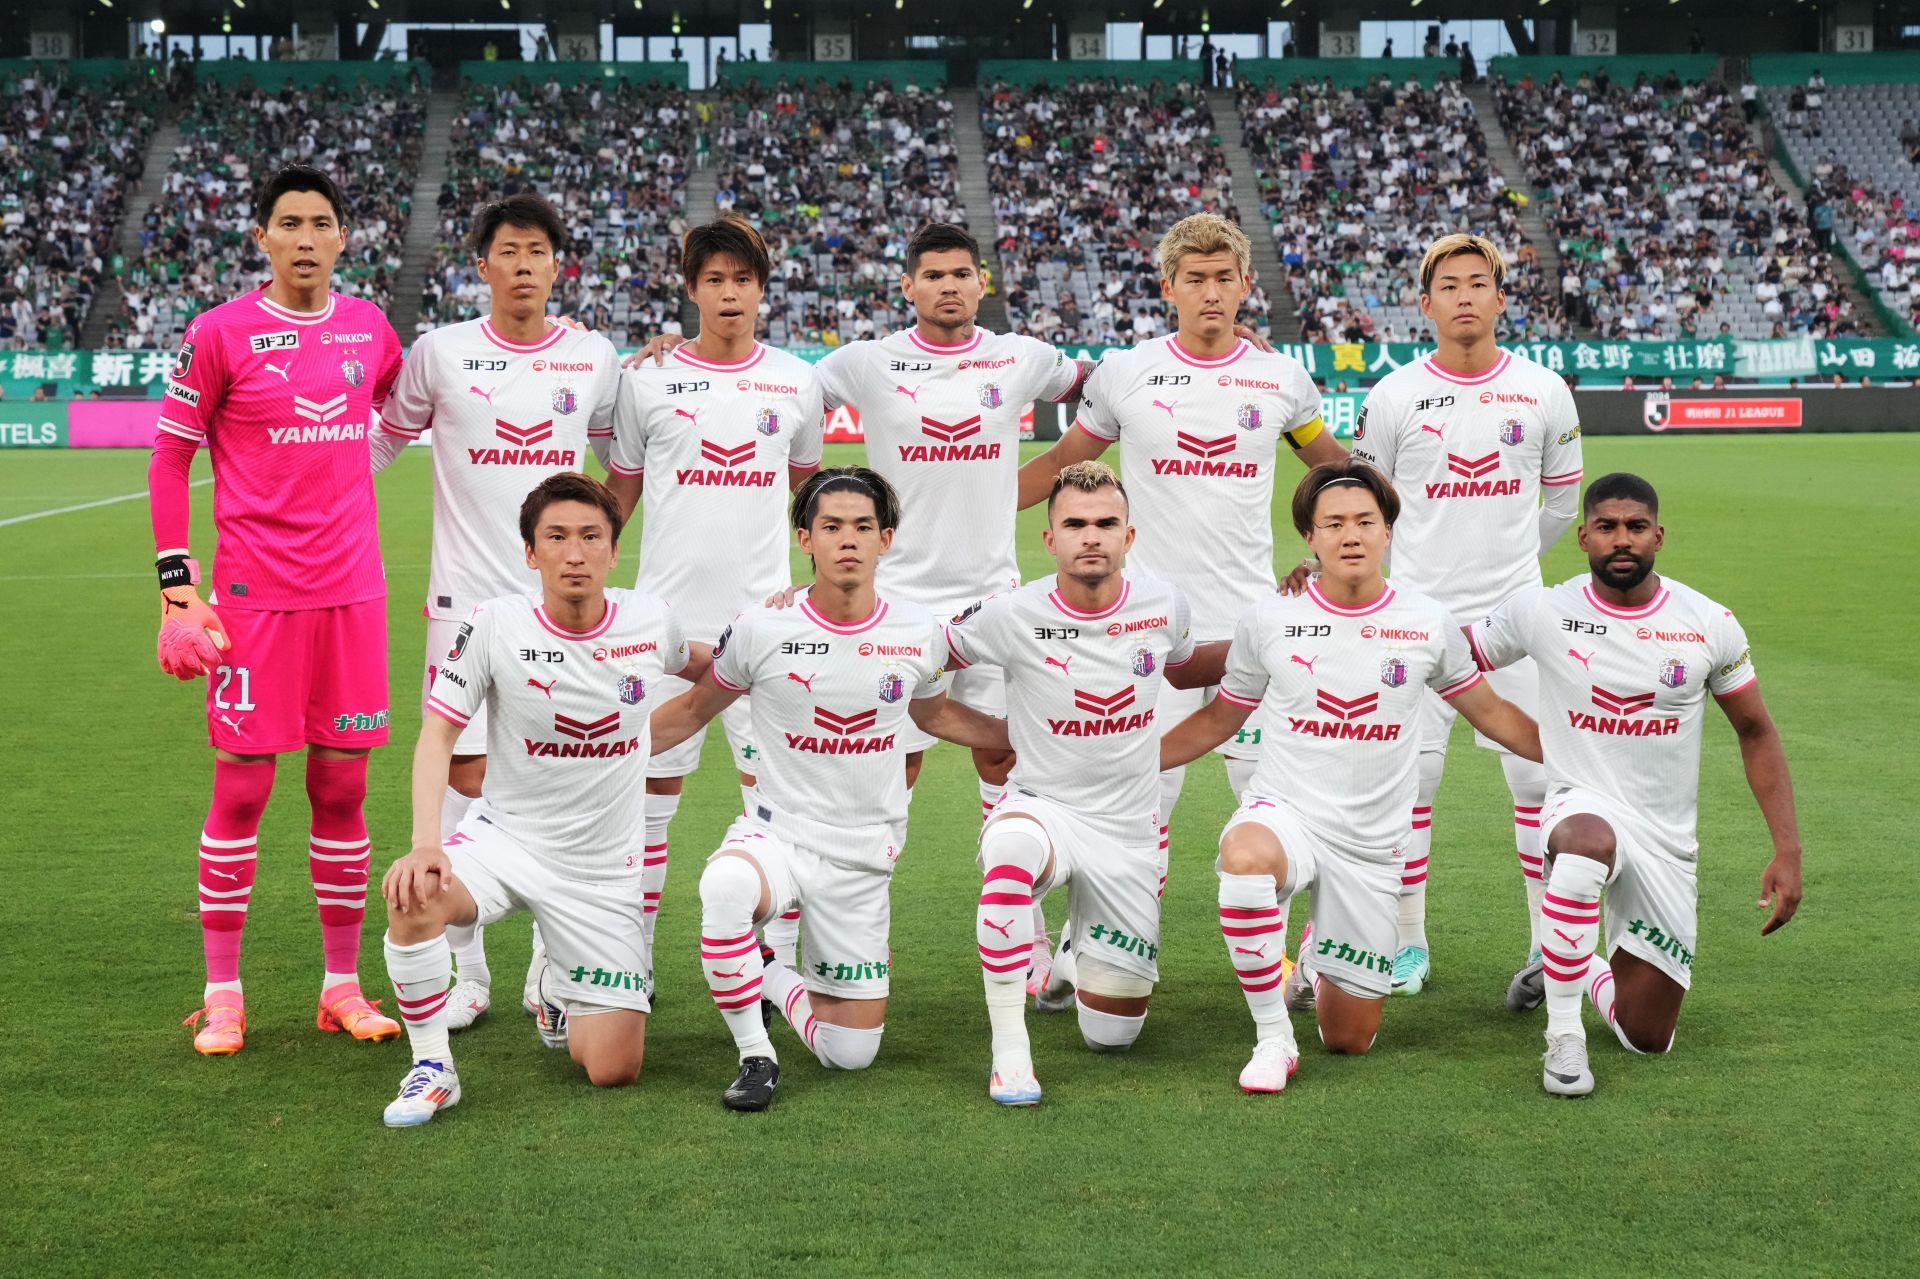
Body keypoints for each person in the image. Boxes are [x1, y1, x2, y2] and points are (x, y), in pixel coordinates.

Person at [1016, 213, 1346, 1003]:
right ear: (1167, 289)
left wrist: (1330, 546)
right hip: (1147, 632)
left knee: (1282, 799)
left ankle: (1312, 956)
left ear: (1244, 286)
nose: (1208, 291)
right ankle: (1095, 949)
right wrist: (953, 503)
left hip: (1256, 626)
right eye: (1192, 278)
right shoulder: (1126, 374)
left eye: (1221, 277)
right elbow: (1066, 463)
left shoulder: (1279, 379)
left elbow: (1335, 471)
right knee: (1135, 798)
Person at [1161, 460, 1540, 1092]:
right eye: (1332, 523)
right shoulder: (1268, 619)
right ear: (1310, 538)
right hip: (1287, 814)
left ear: (1389, 531)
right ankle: (1272, 1039)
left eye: (1365, 521)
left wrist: (1582, 758)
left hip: (1371, 844)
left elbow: (1495, 714)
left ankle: (1319, 958)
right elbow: (1219, 721)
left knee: (1348, 1039)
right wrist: (1125, 766)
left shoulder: (1426, 622)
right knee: (1245, 860)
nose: (1351, 535)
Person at [650, 468, 1011, 1111]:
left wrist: (1017, 736)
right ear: (804, 540)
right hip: (777, 832)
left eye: (863, 527)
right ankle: (755, 1055)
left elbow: (931, 717)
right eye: (832, 527)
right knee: (726, 887)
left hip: (864, 851)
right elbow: (692, 710)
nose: (849, 540)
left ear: (887, 540)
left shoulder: (916, 632)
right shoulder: (761, 628)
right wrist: (595, 752)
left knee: (850, 1055)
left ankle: (769, 974)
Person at [149, 164, 405, 1057]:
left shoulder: (371, 329)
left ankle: (341, 986)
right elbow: (168, 460)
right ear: (260, 237)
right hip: (255, 603)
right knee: (243, 787)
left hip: (353, 597)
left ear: (343, 237)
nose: (305, 236)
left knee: (342, 786)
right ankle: (224, 993)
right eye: (288, 222)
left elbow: (398, 410)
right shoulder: (220, 333)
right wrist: (179, 590)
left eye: (321, 222)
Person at [370, 192, 621, 1029]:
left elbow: (626, 454)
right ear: (481, 266)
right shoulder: (439, 353)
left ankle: (552, 966)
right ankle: (467, 970)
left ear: (559, 266)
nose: (523, 265)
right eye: (507, 251)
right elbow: (379, 442)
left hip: (563, 608)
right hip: (463, 605)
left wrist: (599, 542)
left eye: (537, 251)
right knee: (464, 778)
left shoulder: (592, 355)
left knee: (563, 773)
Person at [1466, 473, 1802, 1095]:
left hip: (1665, 839)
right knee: (1582, 845)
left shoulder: (1708, 622)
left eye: (1636, 527)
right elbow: (1448, 660)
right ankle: (1563, 1039)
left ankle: (1572, 964)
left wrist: (1787, 851)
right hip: (1581, 807)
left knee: (1647, 1037)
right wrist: (1331, 592)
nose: (1623, 539)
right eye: (1608, 527)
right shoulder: (1540, 609)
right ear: (1584, 536)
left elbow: (1755, 731)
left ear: (1658, 536)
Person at [378, 474, 697, 1126]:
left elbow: (703, 664)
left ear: (613, 550)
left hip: (602, 873)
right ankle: (433, 1064)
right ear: (531, 553)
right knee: (414, 895)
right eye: (556, 537)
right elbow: (438, 732)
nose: (574, 553)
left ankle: (559, 981)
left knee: (612, 1069)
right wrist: (425, 843)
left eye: (590, 536)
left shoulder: (649, 620)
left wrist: (769, 649)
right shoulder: (495, 624)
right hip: (508, 841)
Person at [1349, 233, 1583, 1003]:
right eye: (1448, 286)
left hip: (1519, 617)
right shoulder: (1394, 396)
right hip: (1416, 619)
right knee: (1408, 787)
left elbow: (1560, 504)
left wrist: (1510, 563)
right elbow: (1366, 508)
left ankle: (1549, 948)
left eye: (1478, 283)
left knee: (1542, 778)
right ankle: (1409, 945)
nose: (1464, 297)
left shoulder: (1545, 389)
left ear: (1501, 297)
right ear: (1425, 305)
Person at [948, 461, 1228, 1105]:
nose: (1091, 536)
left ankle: (1072, 963)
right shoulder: (1009, 612)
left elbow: (1185, 673)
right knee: (1011, 852)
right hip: (1043, 808)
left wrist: (1267, 635)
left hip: (1128, 830)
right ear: (1050, 540)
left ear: (1130, 536)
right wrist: (1003, 735)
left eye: (1106, 523)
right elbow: (924, 677)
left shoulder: (1165, 604)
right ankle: (1010, 1052)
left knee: (1113, 1035)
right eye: (1074, 524)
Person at [605, 215, 825, 967]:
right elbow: (618, 499)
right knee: (645, 807)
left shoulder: (798, 381)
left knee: (781, 807)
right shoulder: (648, 379)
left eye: (743, 279)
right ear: (692, 289)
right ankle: (626, 958)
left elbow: (814, 508)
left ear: (763, 289)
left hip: (765, 634)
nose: (730, 293)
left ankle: (779, 963)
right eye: (714, 280)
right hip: (663, 632)